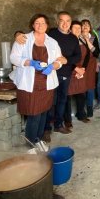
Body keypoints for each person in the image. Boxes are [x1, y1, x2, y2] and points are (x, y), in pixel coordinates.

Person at [15, 11, 81, 142]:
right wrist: (17, 34)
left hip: (62, 73)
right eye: (62, 20)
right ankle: (46, 130)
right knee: (48, 104)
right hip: (45, 76)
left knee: (61, 101)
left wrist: (65, 61)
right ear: (57, 22)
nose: (65, 23)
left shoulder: (73, 38)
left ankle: (58, 125)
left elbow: (77, 56)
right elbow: (28, 37)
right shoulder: (51, 33)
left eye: (68, 21)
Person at [10, 13, 67, 149]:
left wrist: (53, 66)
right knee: (34, 114)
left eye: (43, 23)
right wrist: (29, 62)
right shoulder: (23, 39)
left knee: (43, 112)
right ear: (32, 25)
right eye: (37, 22)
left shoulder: (52, 42)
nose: (40, 25)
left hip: (47, 82)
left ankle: (38, 138)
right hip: (30, 82)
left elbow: (60, 59)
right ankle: (30, 143)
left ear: (47, 26)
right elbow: (13, 58)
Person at [67, 21, 91, 123]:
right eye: (74, 28)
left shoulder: (82, 40)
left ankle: (81, 114)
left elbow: (88, 55)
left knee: (81, 94)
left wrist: (83, 69)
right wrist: (76, 69)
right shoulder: (67, 41)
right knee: (67, 96)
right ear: (70, 29)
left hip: (81, 71)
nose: (77, 30)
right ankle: (67, 119)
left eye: (79, 28)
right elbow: (65, 58)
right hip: (69, 70)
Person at [81, 19, 100, 118]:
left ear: (90, 28)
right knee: (80, 87)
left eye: (87, 25)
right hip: (80, 65)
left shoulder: (93, 37)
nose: (85, 27)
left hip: (91, 65)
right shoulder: (76, 37)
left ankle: (89, 108)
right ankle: (81, 109)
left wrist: (87, 40)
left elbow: (96, 53)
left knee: (90, 87)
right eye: (83, 25)